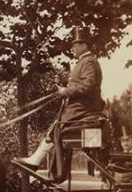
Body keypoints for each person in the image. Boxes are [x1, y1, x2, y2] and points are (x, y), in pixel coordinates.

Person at [17, 26, 105, 170]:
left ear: (83, 45)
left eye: (75, 45)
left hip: (83, 109)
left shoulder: (88, 61)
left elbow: (88, 85)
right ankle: (38, 161)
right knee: (55, 126)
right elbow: (82, 84)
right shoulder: (85, 61)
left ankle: (44, 165)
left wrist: (66, 91)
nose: (73, 49)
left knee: (57, 127)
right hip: (79, 108)